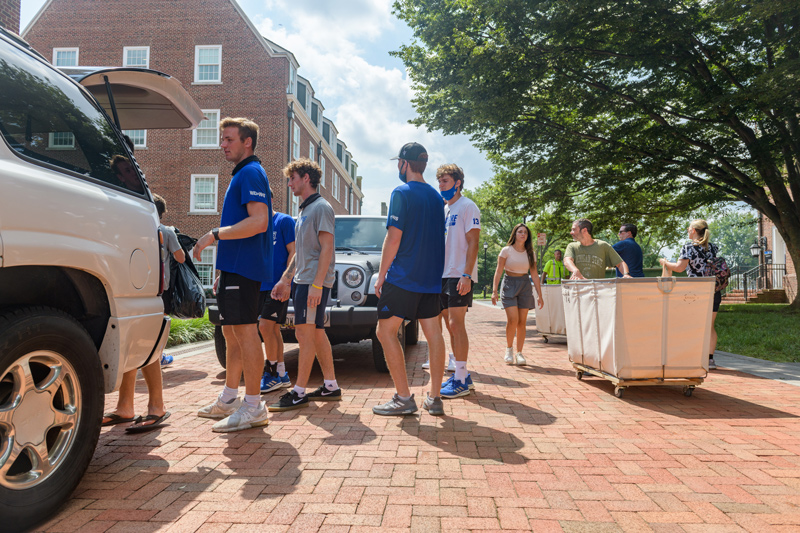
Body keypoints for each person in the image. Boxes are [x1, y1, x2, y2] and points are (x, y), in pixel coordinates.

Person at [193, 117, 273, 433]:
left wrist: (214, 234)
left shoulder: (252, 172)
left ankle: (253, 405)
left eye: (228, 139)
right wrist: (222, 271)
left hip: (245, 268)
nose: (222, 145)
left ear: (247, 142)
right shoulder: (242, 173)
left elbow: (260, 221)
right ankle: (229, 398)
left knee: (245, 333)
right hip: (233, 269)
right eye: (222, 139)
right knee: (230, 333)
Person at [372, 142, 447, 416]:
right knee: (434, 335)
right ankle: (435, 398)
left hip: (404, 277)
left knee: (385, 332)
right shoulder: (437, 198)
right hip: (430, 279)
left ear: (404, 163)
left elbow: (393, 237)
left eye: (398, 163)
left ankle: (404, 398)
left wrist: (381, 276)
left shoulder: (401, 192)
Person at [101, 193, 183, 432]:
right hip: (131, 288)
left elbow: (180, 257)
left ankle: (156, 406)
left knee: (149, 347)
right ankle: (125, 407)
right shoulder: (134, 227)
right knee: (130, 347)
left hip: (154, 292)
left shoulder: (161, 230)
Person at [268, 158, 342, 412]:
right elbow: (302, 251)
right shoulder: (304, 210)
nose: (289, 184)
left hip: (313, 282)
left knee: (304, 334)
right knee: (316, 332)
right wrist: (286, 279)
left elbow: (327, 248)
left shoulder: (321, 208)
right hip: (303, 280)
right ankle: (331, 385)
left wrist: (317, 285)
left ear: (306, 179)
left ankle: (299, 392)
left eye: (292, 178)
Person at [434, 164, 480, 399]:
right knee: (449, 325)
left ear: (458, 183)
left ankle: (460, 380)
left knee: (456, 323)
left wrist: (467, 274)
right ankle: (462, 374)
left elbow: (473, 242)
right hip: (442, 275)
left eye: (445, 181)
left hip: (458, 274)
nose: (441, 185)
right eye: (439, 181)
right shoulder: (444, 209)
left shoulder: (467, 206)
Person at [659, 219, 721, 370]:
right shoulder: (712, 247)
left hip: (695, 291)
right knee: (709, 326)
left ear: (693, 230)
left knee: (692, 324)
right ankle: (710, 359)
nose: (687, 230)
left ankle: (692, 357)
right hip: (714, 289)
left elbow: (680, 268)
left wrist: (665, 263)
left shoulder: (689, 246)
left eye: (689, 228)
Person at [491, 224, 544, 365]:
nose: (523, 234)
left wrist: (540, 294)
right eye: (520, 232)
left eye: (525, 232)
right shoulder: (506, 250)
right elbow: (498, 271)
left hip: (524, 285)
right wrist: (494, 290)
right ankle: (509, 349)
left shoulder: (530, 253)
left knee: (522, 322)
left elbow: (534, 275)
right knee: (512, 320)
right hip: (509, 284)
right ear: (514, 234)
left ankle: (519, 353)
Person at [258, 209, 296, 393]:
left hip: (277, 285)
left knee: (264, 326)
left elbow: (293, 252)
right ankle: (281, 373)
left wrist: (286, 281)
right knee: (272, 329)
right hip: (258, 285)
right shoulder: (255, 223)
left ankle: (271, 373)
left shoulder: (284, 221)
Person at [563, 219, 632, 280]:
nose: (571, 232)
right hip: (577, 288)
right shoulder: (572, 246)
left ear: (584, 230)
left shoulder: (603, 246)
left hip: (597, 289)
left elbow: (620, 263)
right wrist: (575, 271)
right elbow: (567, 260)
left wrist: (626, 274)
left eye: (574, 229)